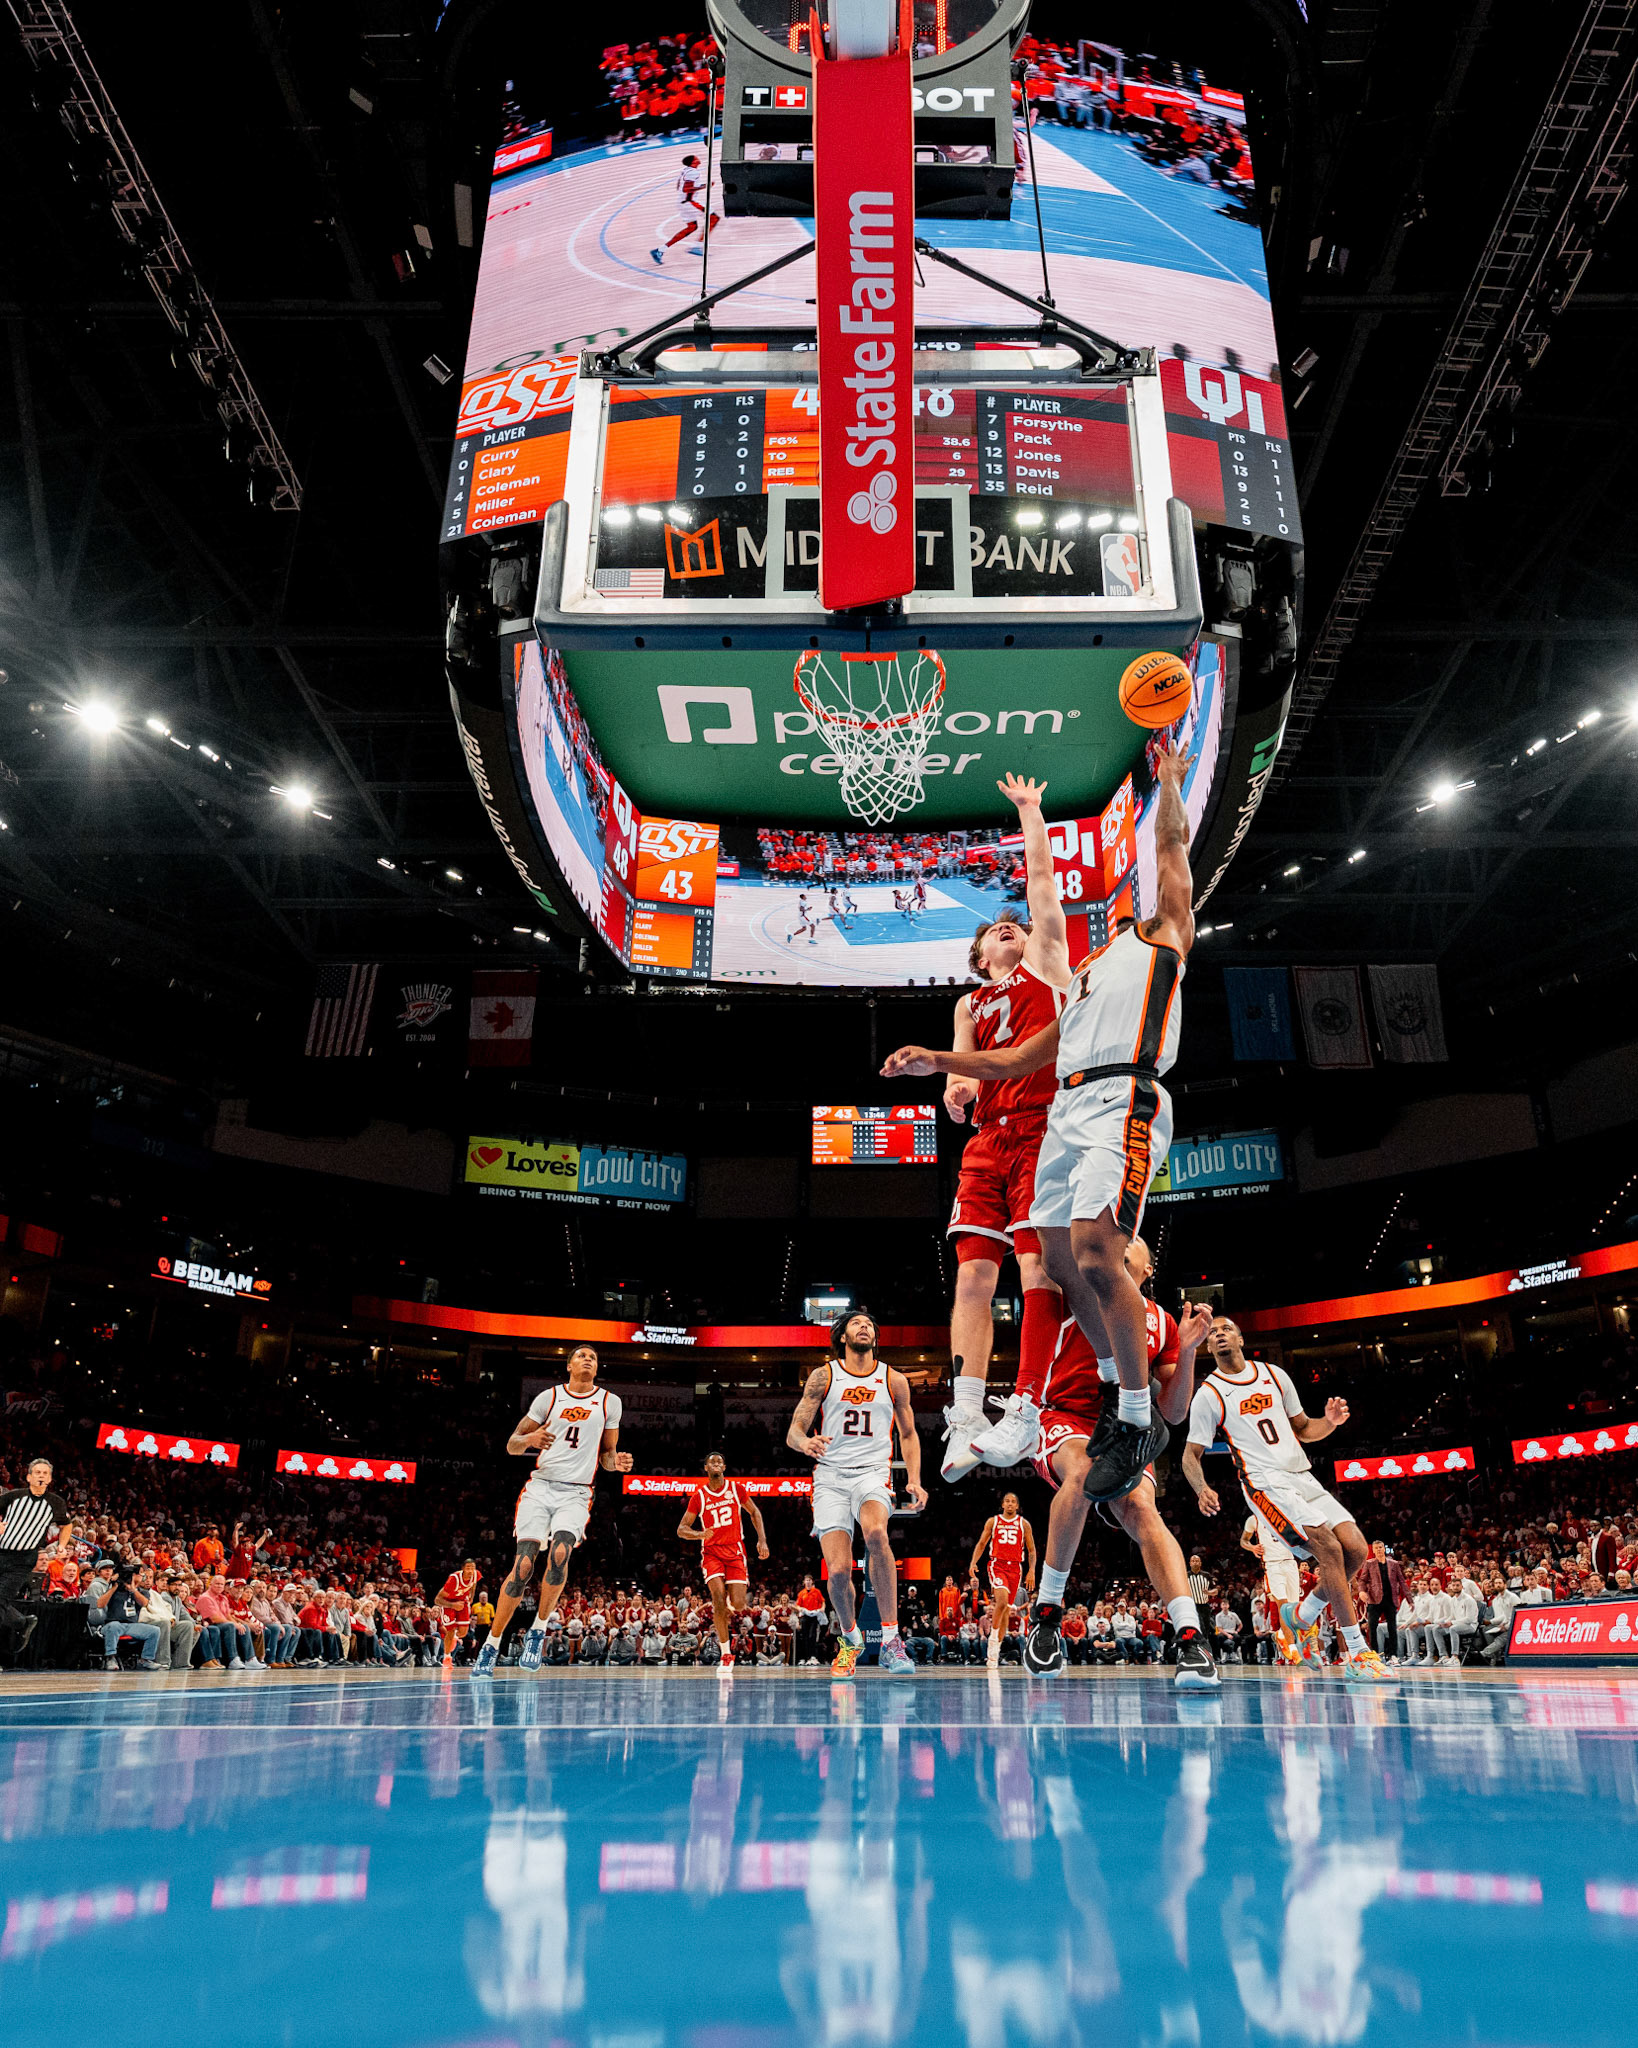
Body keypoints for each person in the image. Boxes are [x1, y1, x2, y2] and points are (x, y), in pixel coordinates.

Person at [883, 742, 1197, 1505]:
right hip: (1049, 1117)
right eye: (997, 930)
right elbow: (1020, 1054)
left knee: (1088, 1257)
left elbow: (1165, 851)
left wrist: (1168, 784)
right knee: (1054, 1265)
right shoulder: (1083, 981)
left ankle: (1119, 1414)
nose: (1012, 929)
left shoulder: (1156, 938)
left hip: (1113, 1100)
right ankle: (991, 1410)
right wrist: (941, 1065)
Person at [935, 775, 1071, 1482]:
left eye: (1011, 921)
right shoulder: (969, 1001)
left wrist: (1031, 812)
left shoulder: (1046, 965)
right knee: (973, 1283)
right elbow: (964, 1075)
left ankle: (1024, 1406)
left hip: (1044, 1130)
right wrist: (957, 1093)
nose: (1008, 922)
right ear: (981, 952)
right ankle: (964, 1419)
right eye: (995, 926)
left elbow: (1042, 885)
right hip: (986, 1144)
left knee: (1035, 1269)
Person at [1017, 1239, 1219, 1689]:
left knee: (1143, 1510)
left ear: (1149, 1268)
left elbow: (1173, 1412)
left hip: (1127, 1427)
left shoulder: (1163, 1321)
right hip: (1063, 1413)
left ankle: (1190, 1636)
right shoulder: (1076, 1290)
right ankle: (1047, 1617)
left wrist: (1187, 1351)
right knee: (1084, 1475)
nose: (1119, 1244)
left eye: (1131, 1246)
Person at [1181, 1316, 1389, 1682]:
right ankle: (1357, 1653)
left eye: (1226, 1329)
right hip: (1263, 1483)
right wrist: (1201, 1488)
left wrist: (1329, 1422)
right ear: (1208, 1348)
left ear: (1241, 1338)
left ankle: (1301, 1616)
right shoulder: (1208, 1394)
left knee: (1357, 1550)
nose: (1218, 1335)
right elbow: (1190, 1454)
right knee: (1328, 1547)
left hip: (1300, 1474)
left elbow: (1305, 1429)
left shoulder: (1274, 1374)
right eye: (1212, 1334)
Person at [474, 1344, 633, 1677]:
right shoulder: (548, 1398)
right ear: (569, 1365)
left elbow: (606, 1456)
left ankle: (538, 1630)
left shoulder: (609, 1402)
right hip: (540, 1487)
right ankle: (491, 1643)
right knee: (523, 1566)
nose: (589, 1359)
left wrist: (614, 1463)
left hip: (576, 1492)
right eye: (582, 1356)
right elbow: (512, 1444)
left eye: (594, 1357)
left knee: (560, 1553)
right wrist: (532, 1440)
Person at [787, 1308, 927, 1677]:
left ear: (875, 1338)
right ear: (843, 1337)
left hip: (872, 1472)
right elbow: (794, 1431)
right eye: (856, 1323)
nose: (864, 1327)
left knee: (877, 1533)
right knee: (836, 1571)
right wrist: (806, 1443)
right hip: (831, 1477)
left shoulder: (893, 1379)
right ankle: (850, 1640)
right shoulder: (824, 1376)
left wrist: (913, 1478)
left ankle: (893, 1642)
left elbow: (909, 1434)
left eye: (870, 1325)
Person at [677, 1452, 770, 1669]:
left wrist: (762, 1540)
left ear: (724, 1467)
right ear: (706, 1468)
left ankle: (730, 1603)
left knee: (738, 1603)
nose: (716, 1463)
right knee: (717, 1598)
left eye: (720, 1461)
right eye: (712, 1461)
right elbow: (681, 1529)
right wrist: (700, 1534)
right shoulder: (699, 1496)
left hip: (735, 1550)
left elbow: (755, 1512)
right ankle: (726, 1653)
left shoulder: (736, 1489)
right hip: (712, 1553)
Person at [966, 1491, 1037, 1671]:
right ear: (1002, 1505)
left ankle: (996, 1648)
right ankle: (993, 1639)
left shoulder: (1024, 1524)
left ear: (1018, 1506)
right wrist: (973, 1562)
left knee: (1006, 1609)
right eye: (1007, 1501)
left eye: (1014, 1501)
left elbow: (1032, 1550)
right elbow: (982, 1543)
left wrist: (1032, 1571)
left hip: (1015, 1567)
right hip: (997, 1565)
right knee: (1002, 1601)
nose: (1010, 1504)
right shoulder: (993, 1521)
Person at [1242, 1512, 1304, 1664]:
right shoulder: (1254, 1519)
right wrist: (1252, 1548)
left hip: (1290, 1563)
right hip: (1272, 1565)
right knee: (1283, 1607)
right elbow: (1243, 1540)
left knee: (1293, 1609)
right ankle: (1293, 1650)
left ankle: (1282, 1634)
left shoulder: (1286, 1514)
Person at [649, 151, 720, 263]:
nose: (698, 159)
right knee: (714, 218)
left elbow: (679, 186)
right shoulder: (693, 173)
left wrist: (702, 186)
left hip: (682, 202)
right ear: (693, 162)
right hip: (690, 202)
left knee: (691, 227)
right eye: (696, 158)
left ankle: (660, 250)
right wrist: (705, 186)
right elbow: (686, 189)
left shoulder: (685, 171)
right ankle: (697, 246)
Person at [1355, 1540, 1409, 1664]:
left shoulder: (1394, 1563)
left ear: (1384, 1549)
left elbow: (1401, 1581)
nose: (1379, 1549)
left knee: (1392, 1628)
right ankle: (1374, 1655)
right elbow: (1362, 1580)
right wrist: (1362, 1592)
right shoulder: (1369, 1563)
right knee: (1372, 1628)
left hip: (1390, 1599)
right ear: (1373, 1550)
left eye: (1380, 1547)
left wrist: (1408, 1598)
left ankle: (1393, 1655)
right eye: (1376, 1548)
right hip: (1374, 1600)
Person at [436, 1558, 480, 1666]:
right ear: (463, 1569)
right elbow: (437, 1600)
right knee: (450, 1631)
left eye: (473, 1568)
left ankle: (454, 1636)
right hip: (448, 1603)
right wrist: (453, 1605)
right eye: (468, 1568)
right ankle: (447, 1658)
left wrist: (471, 1596)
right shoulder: (454, 1579)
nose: (470, 1571)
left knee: (463, 1633)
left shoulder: (475, 1575)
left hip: (462, 1602)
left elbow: (473, 1584)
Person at [794, 1573, 826, 1665]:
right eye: (806, 1580)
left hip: (814, 1616)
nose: (808, 1582)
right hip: (805, 1616)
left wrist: (822, 1608)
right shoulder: (801, 1593)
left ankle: (813, 1657)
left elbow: (822, 1601)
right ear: (804, 1582)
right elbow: (797, 1605)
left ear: (812, 1582)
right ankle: (804, 1657)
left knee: (812, 1636)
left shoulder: (817, 1592)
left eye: (809, 1580)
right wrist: (800, 1609)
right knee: (804, 1637)